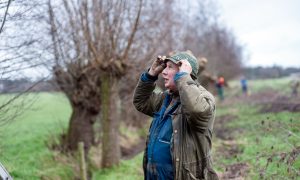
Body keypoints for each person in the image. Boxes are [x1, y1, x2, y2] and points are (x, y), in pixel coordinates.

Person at [133, 51, 218, 180]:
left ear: (184, 71)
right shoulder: (167, 97)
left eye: (170, 67)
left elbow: (196, 111)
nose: (164, 72)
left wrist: (184, 77)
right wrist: (151, 75)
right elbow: (141, 102)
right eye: (164, 67)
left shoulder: (204, 98)